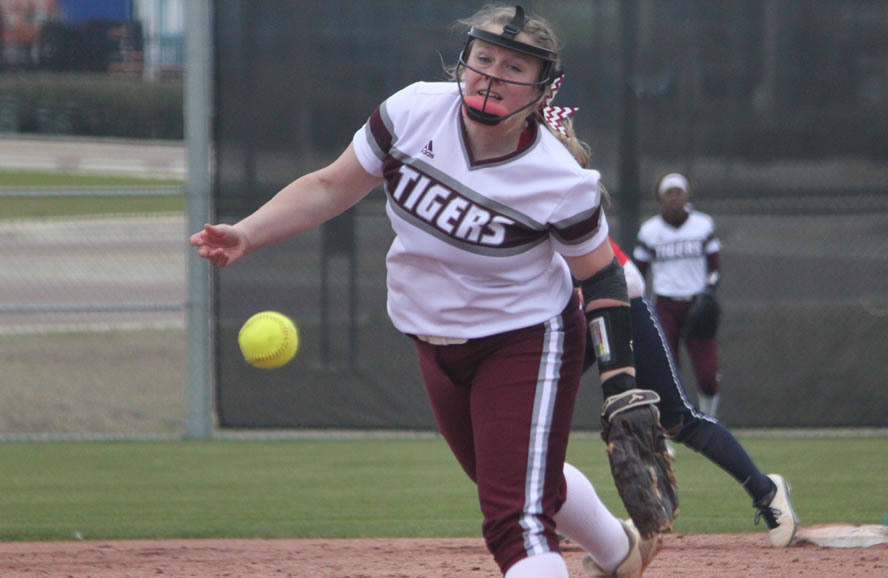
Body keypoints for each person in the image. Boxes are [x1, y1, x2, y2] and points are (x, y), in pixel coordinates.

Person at [191, 5, 660, 577]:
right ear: (463, 62)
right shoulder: (413, 112)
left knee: (515, 520)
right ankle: (621, 553)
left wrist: (621, 384)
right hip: (432, 336)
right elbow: (330, 186)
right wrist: (247, 233)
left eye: (514, 67)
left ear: (542, 88)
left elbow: (601, 276)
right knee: (514, 477)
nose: (491, 75)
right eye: (484, 58)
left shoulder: (558, 179)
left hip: (525, 340)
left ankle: (592, 555)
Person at [586, 238, 799, 548]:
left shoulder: (569, 215)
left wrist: (580, 297)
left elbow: (631, 279)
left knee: (678, 419)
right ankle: (556, 512)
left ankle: (767, 492)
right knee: (544, 411)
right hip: (572, 322)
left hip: (623, 310)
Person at [632, 172, 723, 417]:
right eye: (669, 193)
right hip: (665, 305)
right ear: (661, 198)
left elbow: (714, 266)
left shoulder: (702, 225)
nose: (674, 198)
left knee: (706, 373)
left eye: (678, 192)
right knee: (667, 370)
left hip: (697, 303)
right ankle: (672, 422)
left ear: (686, 195)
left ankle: (710, 419)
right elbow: (638, 271)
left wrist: (710, 293)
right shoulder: (650, 230)